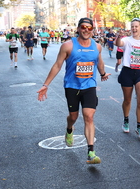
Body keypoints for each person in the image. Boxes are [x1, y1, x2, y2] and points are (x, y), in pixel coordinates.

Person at [37, 18, 110, 164]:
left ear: (92, 30)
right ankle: (69, 128)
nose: (86, 30)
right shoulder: (68, 46)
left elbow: (99, 61)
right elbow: (57, 65)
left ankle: (91, 152)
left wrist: (102, 74)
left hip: (89, 85)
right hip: (72, 86)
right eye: (83, 27)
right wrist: (46, 85)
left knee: (89, 116)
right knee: (73, 116)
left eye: (90, 28)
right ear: (78, 28)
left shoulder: (97, 46)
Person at [115, 18, 140, 139]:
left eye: (136, 26)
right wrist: (119, 36)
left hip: (139, 72)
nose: (134, 28)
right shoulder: (126, 40)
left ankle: (139, 127)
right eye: (132, 26)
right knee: (127, 100)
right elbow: (119, 44)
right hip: (127, 71)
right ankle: (126, 120)